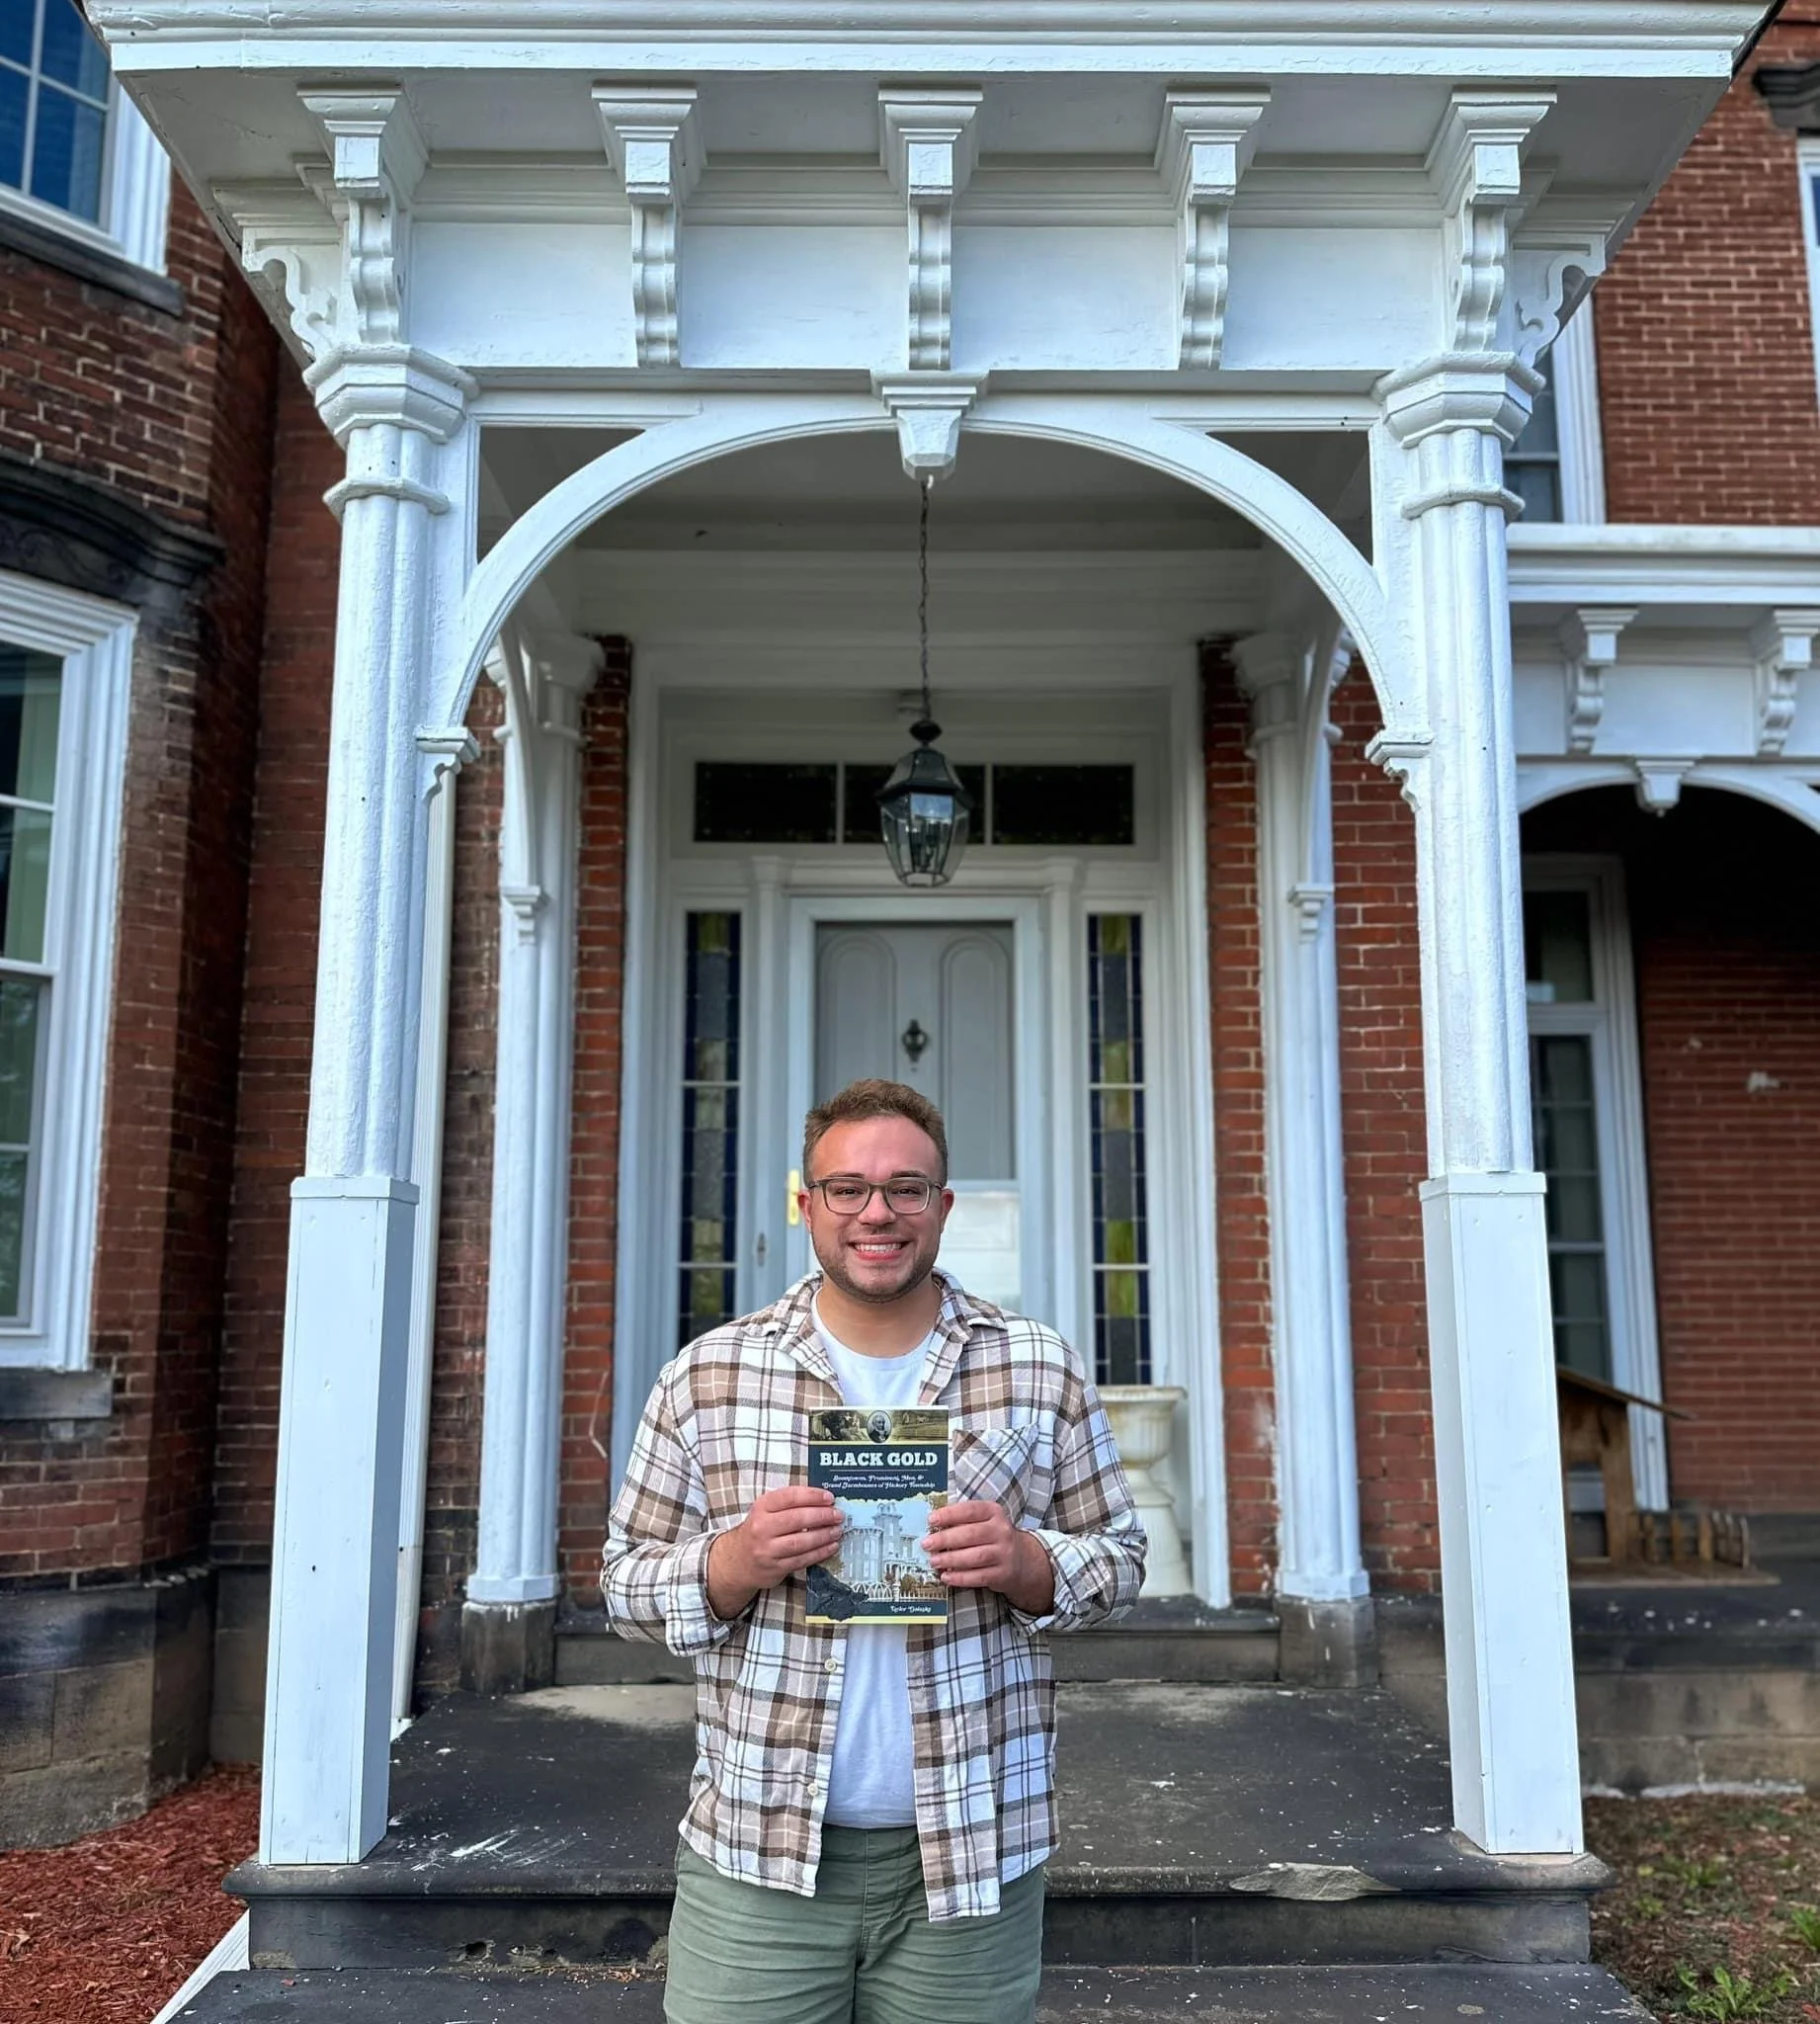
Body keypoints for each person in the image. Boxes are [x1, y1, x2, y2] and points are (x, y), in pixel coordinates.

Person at [603, 1077, 1145, 2024]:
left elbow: (1123, 1557)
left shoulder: (1036, 1365)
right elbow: (622, 1584)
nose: (877, 1212)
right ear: (805, 1206)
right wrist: (733, 1561)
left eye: (906, 1188)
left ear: (943, 1205)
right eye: (847, 1189)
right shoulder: (710, 1373)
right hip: (759, 1851)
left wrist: (1029, 1564)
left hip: (973, 1850)